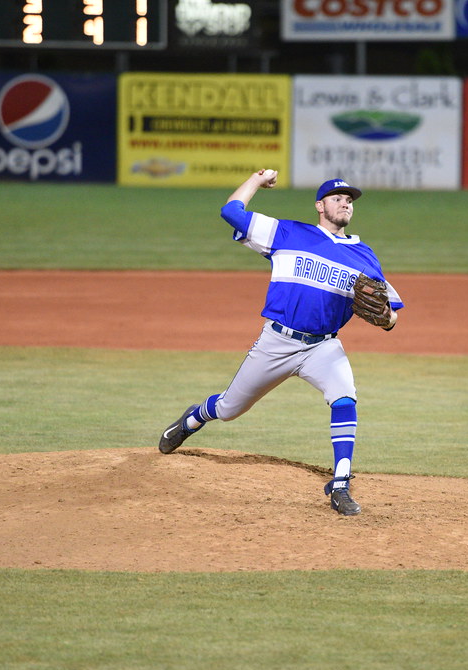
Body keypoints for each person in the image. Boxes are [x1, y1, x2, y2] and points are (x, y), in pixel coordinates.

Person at [158, 169, 404, 516]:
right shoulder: (288, 233)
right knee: (229, 409)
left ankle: (340, 485)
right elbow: (231, 211)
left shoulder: (365, 256)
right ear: (320, 206)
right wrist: (257, 180)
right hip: (277, 342)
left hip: (322, 347)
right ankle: (192, 420)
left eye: (349, 200)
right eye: (337, 198)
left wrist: (387, 319)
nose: (345, 204)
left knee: (345, 397)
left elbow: (391, 314)